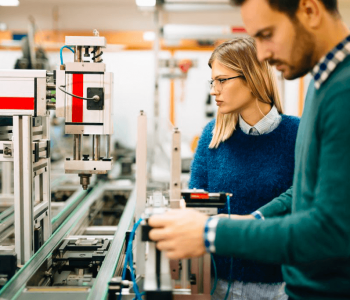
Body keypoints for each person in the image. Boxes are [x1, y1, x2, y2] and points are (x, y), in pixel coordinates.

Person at [148, 1, 350, 299]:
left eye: (267, 34)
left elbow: (330, 229)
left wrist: (211, 233)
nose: (263, 53)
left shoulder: (340, 93)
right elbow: (303, 193)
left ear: (309, 10)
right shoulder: (323, 87)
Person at [189, 37, 299, 300]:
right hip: (217, 285)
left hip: (277, 287)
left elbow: (305, 197)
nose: (214, 90)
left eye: (222, 80)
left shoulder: (297, 134)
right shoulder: (212, 137)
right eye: (212, 81)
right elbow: (194, 202)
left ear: (251, 78)